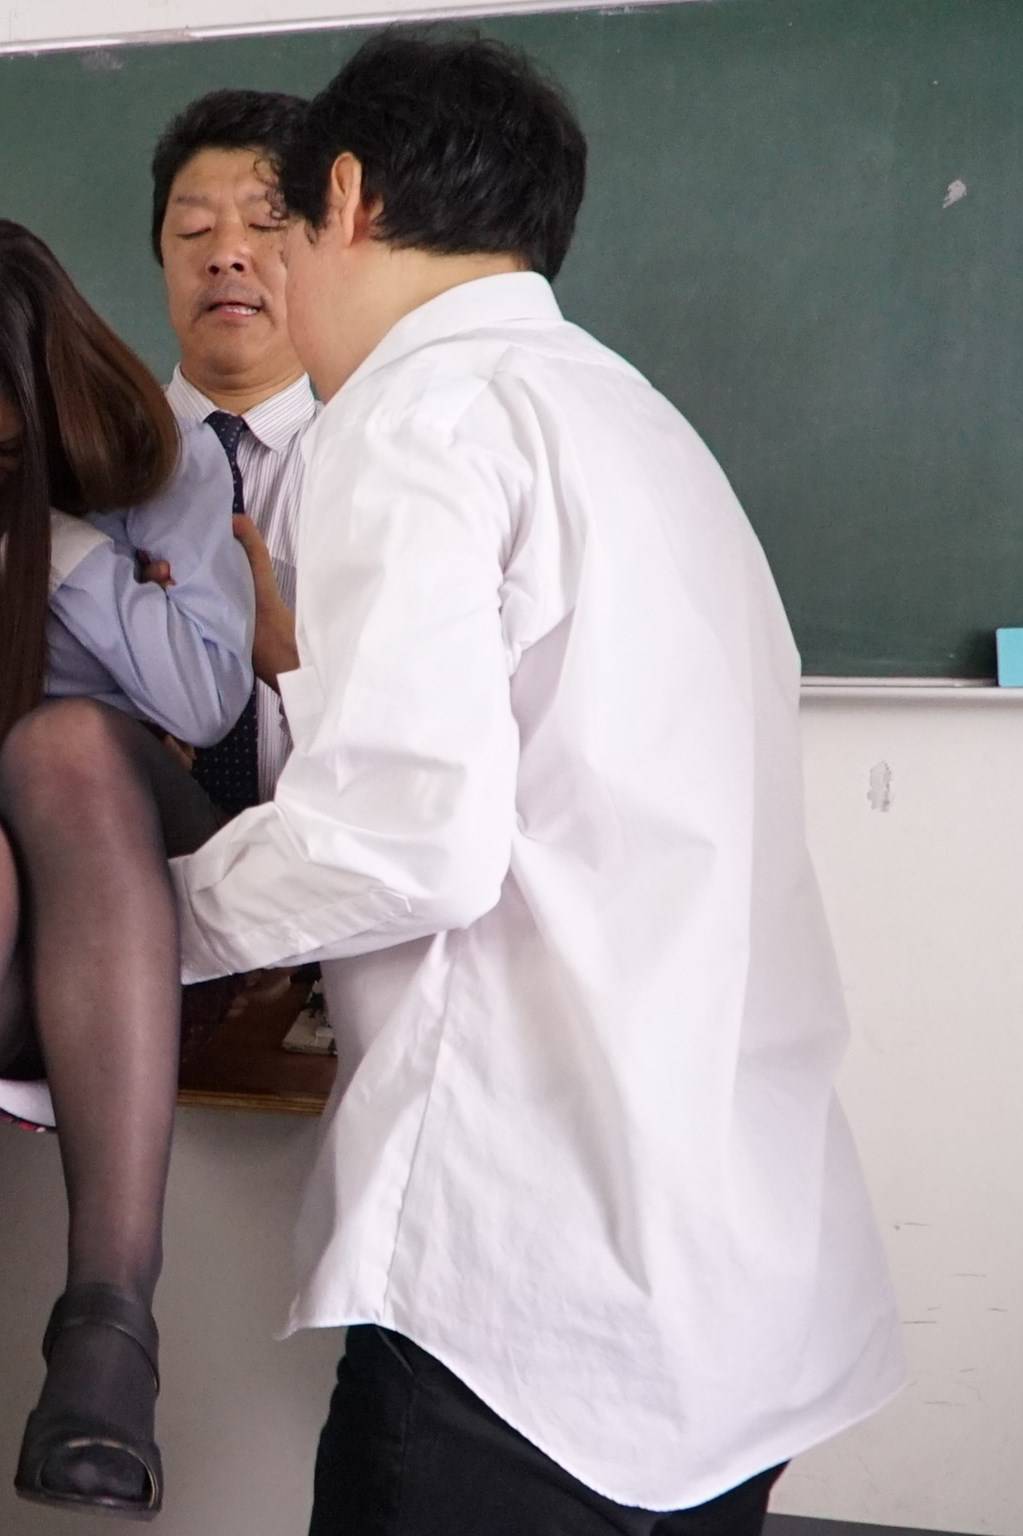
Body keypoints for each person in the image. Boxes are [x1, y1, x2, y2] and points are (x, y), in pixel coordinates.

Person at [172, 32, 905, 1536]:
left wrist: (136, 921)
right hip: (731, 1278)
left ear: (349, 197)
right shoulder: (636, 421)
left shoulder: (413, 414)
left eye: (281, 227)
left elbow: (406, 840)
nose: (266, 275)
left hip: (526, 1290)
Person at [0, 220, 255, 1518]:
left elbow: (202, 699)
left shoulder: (160, 463)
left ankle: (108, 1328)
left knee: (57, 747)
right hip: (14, 922)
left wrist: (56, 545)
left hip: (146, 877)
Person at [152, 87, 315, 814]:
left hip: (333, 869)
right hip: (123, 859)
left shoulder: (380, 465)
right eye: (193, 231)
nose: (225, 256)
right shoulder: (92, 466)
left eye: (266, 224)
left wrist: (289, 661)